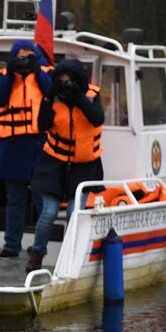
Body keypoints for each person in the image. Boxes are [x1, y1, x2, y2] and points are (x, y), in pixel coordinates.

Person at [27, 58, 104, 273]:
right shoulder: (53, 98)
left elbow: (97, 119)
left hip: (84, 165)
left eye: (69, 81)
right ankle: (37, 253)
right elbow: (42, 125)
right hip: (54, 163)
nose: (65, 85)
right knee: (49, 212)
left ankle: (70, 256)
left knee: (73, 212)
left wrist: (78, 97)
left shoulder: (91, 96)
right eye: (61, 81)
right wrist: (49, 96)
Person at [0, 40, 53, 259]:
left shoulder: (45, 74)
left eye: (30, 56)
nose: (25, 60)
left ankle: (40, 246)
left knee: (40, 199)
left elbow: (50, 95)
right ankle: (11, 246)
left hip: (38, 143)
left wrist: (36, 71)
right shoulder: (6, 75)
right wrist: (10, 73)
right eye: (21, 56)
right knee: (14, 198)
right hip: (12, 144)